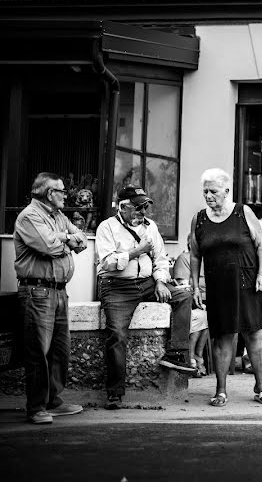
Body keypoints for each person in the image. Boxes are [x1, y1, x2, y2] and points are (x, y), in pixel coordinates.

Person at [96, 186, 197, 409]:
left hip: (147, 282)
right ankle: (114, 392)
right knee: (117, 334)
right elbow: (106, 262)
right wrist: (136, 251)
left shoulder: (151, 227)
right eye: (138, 207)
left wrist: (161, 281)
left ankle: (177, 353)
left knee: (182, 296)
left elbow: (160, 259)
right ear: (123, 207)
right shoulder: (107, 227)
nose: (143, 212)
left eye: (145, 207)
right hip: (117, 286)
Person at [189, 168, 262, 406]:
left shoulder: (243, 212)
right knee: (222, 336)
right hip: (218, 286)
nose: (208, 195)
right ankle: (221, 390)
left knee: (254, 334)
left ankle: (261, 386)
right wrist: (195, 286)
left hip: (248, 282)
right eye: (205, 191)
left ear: (226, 191)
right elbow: (195, 255)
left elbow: (261, 245)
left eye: (213, 191)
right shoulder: (200, 219)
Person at [14, 172, 87, 424]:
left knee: (60, 350)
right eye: (62, 191)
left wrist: (65, 238)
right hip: (38, 291)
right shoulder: (30, 216)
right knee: (38, 351)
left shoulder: (58, 216)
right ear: (49, 193)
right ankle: (36, 407)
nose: (66, 195)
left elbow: (83, 240)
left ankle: (53, 401)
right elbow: (49, 247)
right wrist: (67, 240)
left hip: (58, 291)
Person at [172, 238, 210, 377]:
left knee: (208, 315)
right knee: (202, 316)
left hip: (207, 302)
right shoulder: (184, 258)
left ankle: (196, 356)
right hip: (191, 302)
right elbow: (184, 287)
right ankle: (194, 357)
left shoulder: (209, 260)